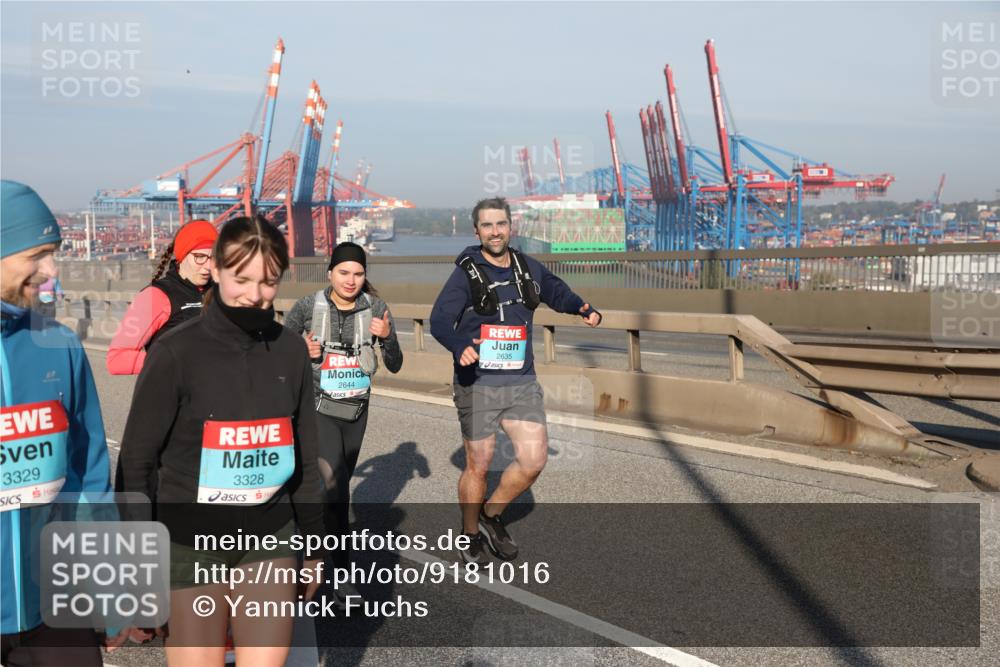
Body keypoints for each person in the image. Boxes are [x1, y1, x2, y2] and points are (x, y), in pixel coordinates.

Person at [117, 215, 326, 667]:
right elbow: (136, 463)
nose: (255, 294)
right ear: (215, 268)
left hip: (270, 538)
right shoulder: (175, 351)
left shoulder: (291, 350)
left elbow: (306, 460)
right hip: (188, 543)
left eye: (269, 281)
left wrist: (313, 549)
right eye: (242, 278)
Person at [430, 197, 601, 564]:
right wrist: (460, 344)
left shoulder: (528, 267)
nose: (495, 231)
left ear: (511, 227)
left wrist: (582, 307)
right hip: (477, 382)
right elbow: (440, 320)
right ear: (477, 231)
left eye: (501, 224)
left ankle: (491, 516)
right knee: (480, 463)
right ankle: (470, 531)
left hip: (520, 380)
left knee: (534, 459)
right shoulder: (466, 273)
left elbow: (556, 291)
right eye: (487, 226)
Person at [0, 180, 127, 665]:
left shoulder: (60, 345)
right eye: (37, 254)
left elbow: (90, 478)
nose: (52, 270)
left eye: (53, 253)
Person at [283, 241, 402, 600]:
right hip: (317, 409)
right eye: (344, 272)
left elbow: (395, 363)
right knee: (335, 490)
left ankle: (311, 554)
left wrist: (388, 338)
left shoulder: (376, 308)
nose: (351, 280)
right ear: (330, 273)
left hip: (355, 412)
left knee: (334, 494)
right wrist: (301, 352)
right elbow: (277, 361)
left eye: (358, 273)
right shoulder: (307, 307)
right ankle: (336, 575)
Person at [106, 219, 217, 375]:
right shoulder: (156, 296)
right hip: (174, 396)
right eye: (199, 256)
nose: (207, 266)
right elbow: (116, 360)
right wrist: (177, 361)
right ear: (182, 256)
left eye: (213, 257)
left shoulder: (222, 290)